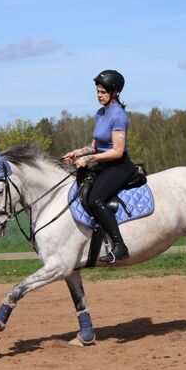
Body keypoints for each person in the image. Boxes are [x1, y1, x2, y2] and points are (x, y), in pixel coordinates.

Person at [62, 70, 136, 263]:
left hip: (119, 167)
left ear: (115, 92)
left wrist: (89, 160)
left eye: (103, 92)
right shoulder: (100, 113)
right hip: (104, 166)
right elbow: (95, 146)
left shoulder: (118, 116)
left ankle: (120, 246)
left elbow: (117, 151)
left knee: (95, 198)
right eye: (97, 91)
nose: (99, 95)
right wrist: (78, 152)